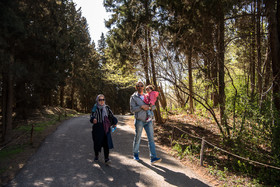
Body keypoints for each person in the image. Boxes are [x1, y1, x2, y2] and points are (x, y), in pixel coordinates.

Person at [130, 81, 162, 165]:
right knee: (138, 138)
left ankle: (153, 157)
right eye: (138, 86)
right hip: (139, 120)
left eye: (141, 85)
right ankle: (136, 154)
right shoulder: (133, 97)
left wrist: (152, 106)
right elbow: (132, 109)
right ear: (136, 87)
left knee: (151, 139)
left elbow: (154, 107)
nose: (140, 87)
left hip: (148, 120)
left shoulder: (147, 95)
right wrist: (141, 107)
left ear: (143, 87)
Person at [90, 94, 117, 164]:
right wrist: (93, 119)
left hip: (106, 128)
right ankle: (96, 155)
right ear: (97, 101)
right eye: (100, 100)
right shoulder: (95, 108)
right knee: (97, 143)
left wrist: (115, 122)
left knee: (106, 144)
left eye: (103, 100)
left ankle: (107, 158)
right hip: (97, 128)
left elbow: (111, 116)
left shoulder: (107, 108)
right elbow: (91, 116)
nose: (101, 101)